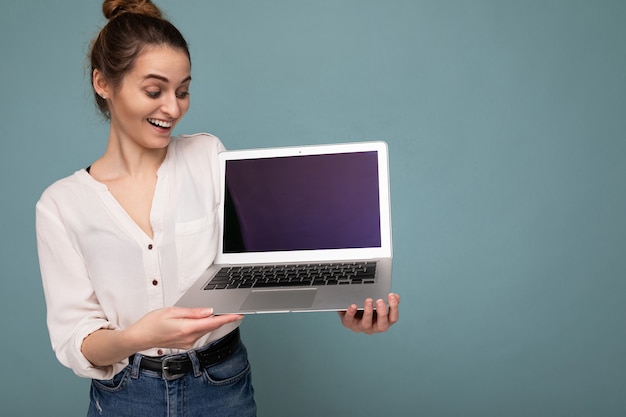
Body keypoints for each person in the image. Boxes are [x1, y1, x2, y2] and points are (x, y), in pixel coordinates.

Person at [35, 1, 400, 416]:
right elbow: (76, 338)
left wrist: (343, 299)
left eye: (183, 91)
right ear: (103, 83)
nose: (172, 108)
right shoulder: (61, 205)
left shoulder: (208, 156)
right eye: (154, 91)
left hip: (221, 384)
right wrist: (136, 336)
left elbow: (260, 263)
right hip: (126, 395)